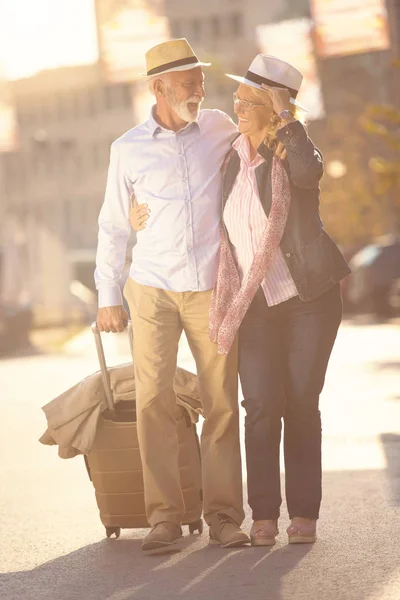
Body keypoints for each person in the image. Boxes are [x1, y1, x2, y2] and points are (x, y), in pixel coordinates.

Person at [132, 54, 351, 547]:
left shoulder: (291, 152)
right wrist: (136, 208)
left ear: (276, 109)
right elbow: (176, 184)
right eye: (238, 98)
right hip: (253, 303)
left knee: (299, 404)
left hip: (308, 299)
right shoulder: (227, 154)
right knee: (259, 406)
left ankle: (304, 514)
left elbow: (309, 174)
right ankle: (264, 515)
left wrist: (288, 119)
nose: (237, 106)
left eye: (251, 101)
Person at [95, 38, 249, 551]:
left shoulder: (222, 129)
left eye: (200, 82)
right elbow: (114, 226)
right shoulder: (128, 149)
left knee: (223, 402)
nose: (199, 92)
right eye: (188, 84)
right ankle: (164, 516)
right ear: (159, 88)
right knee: (154, 402)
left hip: (210, 286)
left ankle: (225, 516)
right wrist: (107, 294)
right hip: (152, 288)